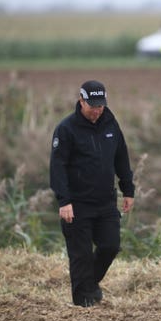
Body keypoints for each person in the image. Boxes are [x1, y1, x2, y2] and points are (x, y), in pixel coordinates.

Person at [50, 80, 135, 307]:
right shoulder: (66, 129)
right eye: (92, 106)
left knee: (110, 246)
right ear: (81, 101)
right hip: (77, 204)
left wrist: (128, 189)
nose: (97, 110)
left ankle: (88, 285)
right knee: (81, 256)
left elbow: (121, 156)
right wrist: (64, 200)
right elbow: (57, 167)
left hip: (105, 201)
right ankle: (82, 304)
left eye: (101, 105)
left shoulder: (110, 122)